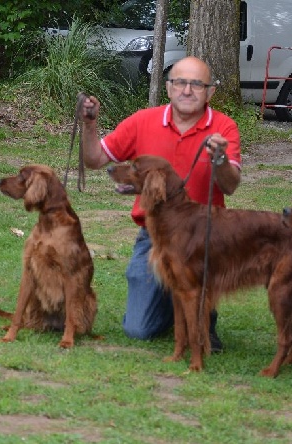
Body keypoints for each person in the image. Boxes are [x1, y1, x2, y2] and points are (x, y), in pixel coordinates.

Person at [78, 56, 242, 352]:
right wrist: (90, 126)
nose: (187, 90)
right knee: (138, 330)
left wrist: (219, 158)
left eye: (197, 84)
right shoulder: (143, 121)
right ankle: (178, 300)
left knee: (198, 269)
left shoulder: (224, 127)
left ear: (210, 91)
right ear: (168, 88)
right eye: (180, 82)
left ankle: (203, 316)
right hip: (154, 235)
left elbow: (230, 186)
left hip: (202, 235)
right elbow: (94, 160)